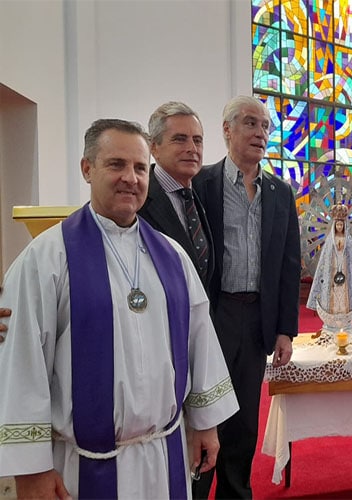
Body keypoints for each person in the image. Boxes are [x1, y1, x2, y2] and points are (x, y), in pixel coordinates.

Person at [0, 119, 238, 498]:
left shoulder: (172, 256)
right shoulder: (46, 258)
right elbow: (21, 364)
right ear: (87, 168)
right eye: (116, 165)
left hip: (164, 456)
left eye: (140, 168)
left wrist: (205, 424)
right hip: (84, 466)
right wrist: (31, 469)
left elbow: (200, 342)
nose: (131, 177)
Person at [193, 95, 301, 498]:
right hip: (213, 315)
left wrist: (285, 330)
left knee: (243, 422)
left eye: (265, 126)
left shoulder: (280, 192)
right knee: (205, 412)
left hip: (256, 319)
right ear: (227, 130)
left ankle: (237, 492)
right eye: (250, 124)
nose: (260, 133)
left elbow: (289, 266)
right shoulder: (201, 184)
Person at [139, 101, 214, 291]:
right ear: (153, 147)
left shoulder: (201, 194)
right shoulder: (138, 198)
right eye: (180, 139)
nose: (192, 148)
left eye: (197, 140)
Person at [306, 203, 352, 334]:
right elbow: (326, 258)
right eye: (337, 225)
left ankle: (345, 323)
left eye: (341, 225)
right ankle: (331, 325)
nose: (339, 227)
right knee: (333, 298)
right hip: (333, 272)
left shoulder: (348, 241)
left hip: (345, 272)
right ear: (334, 226)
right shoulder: (330, 241)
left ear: (344, 226)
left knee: (344, 297)